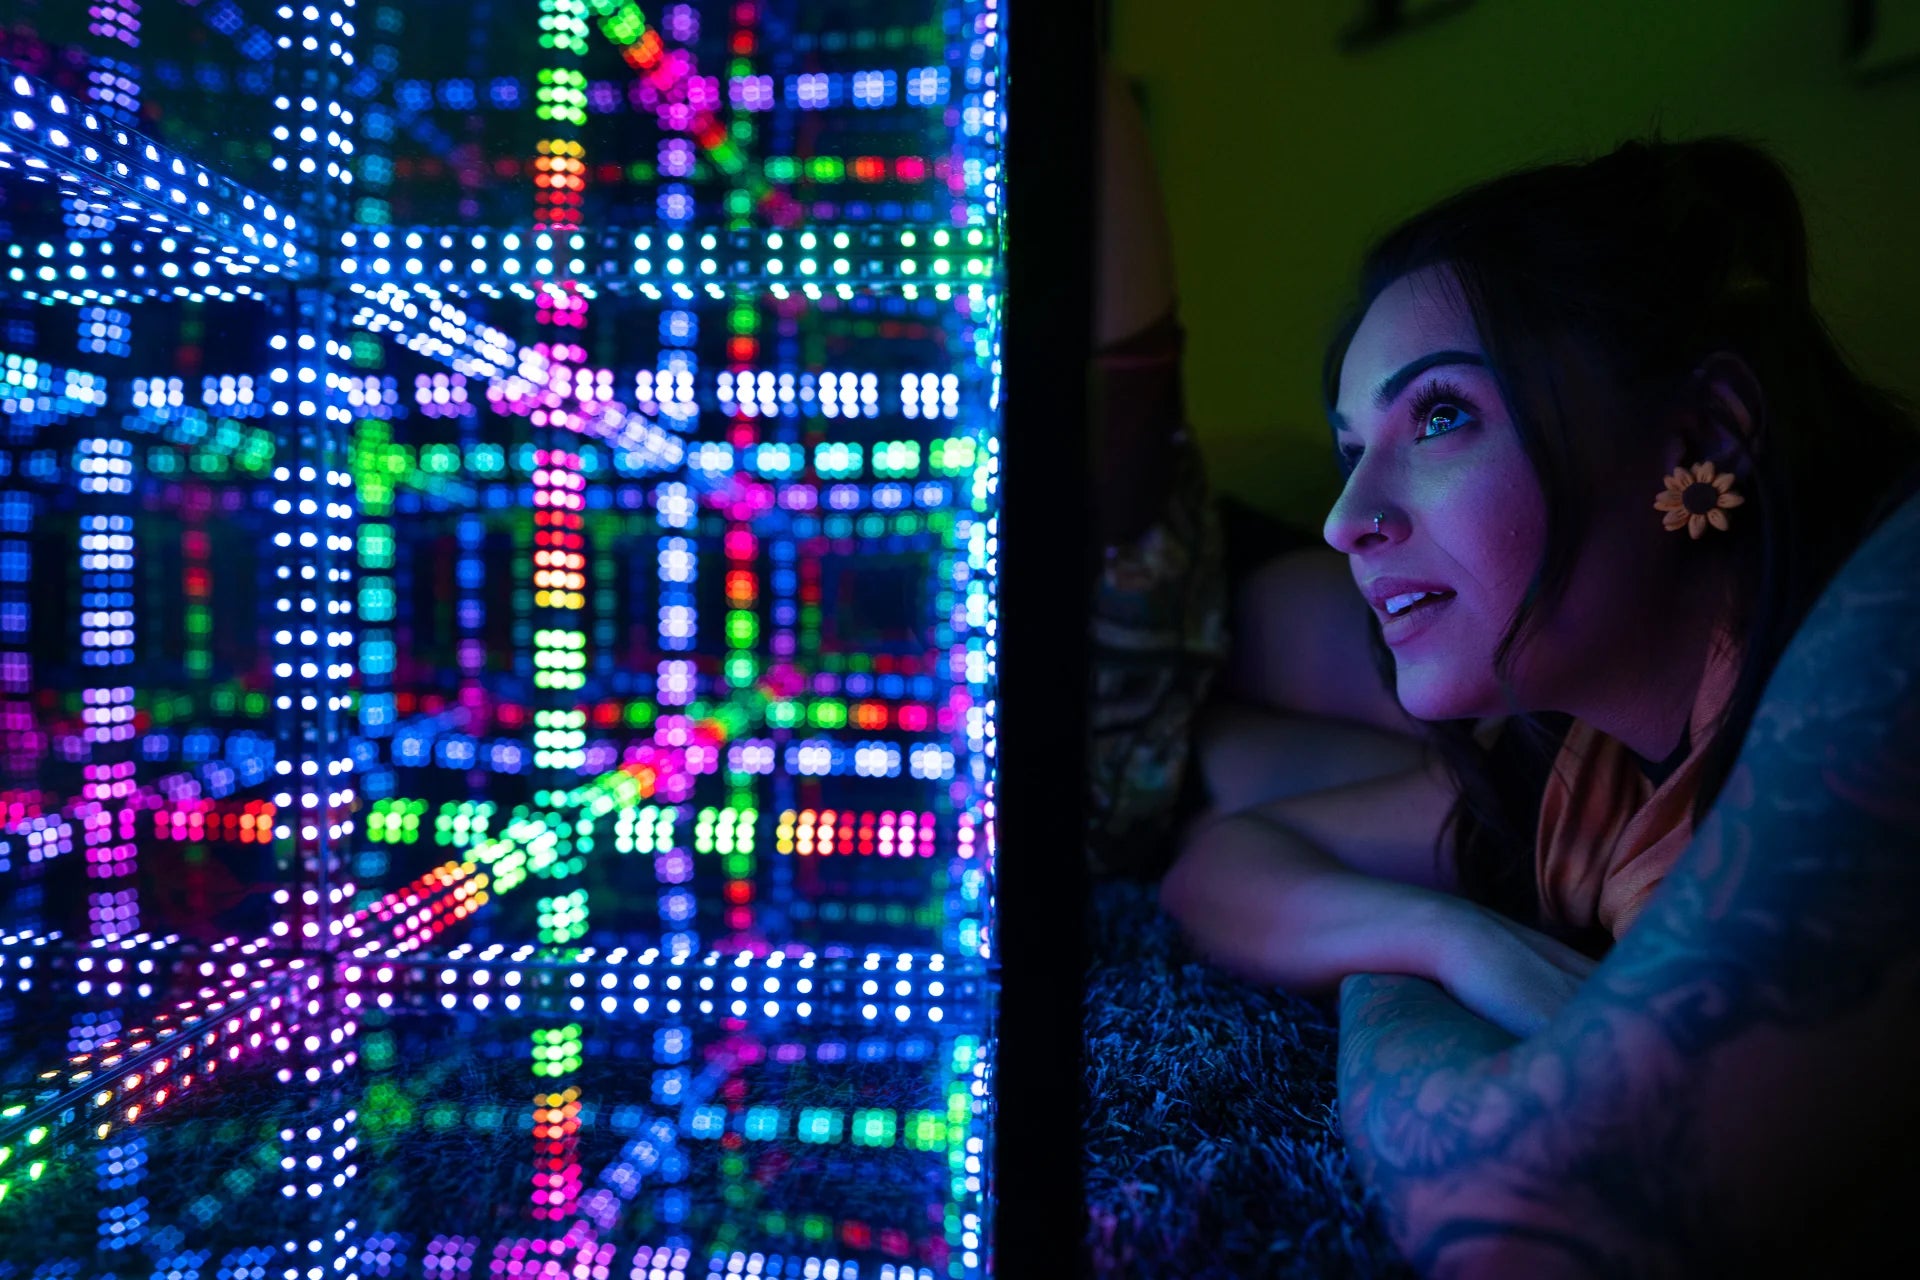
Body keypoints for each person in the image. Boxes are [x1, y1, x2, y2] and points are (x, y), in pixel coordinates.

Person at [1151, 130, 1920, 1272]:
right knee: (1219, 734)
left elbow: (1523, 1211)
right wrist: (1447, 939)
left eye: (1442, 415)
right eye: (1351, 447)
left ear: (1703, 433)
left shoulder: (1875, 654)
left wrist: (1389, 974)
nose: (1347, 512)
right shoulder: (1590, 769)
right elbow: (1215, 866)